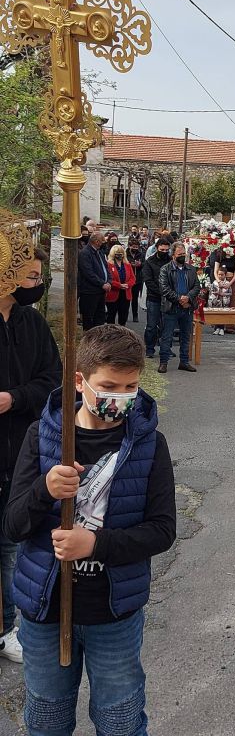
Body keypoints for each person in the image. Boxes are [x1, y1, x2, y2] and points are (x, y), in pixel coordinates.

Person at [3, 325, 176, 735]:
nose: (120, 397)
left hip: (112, 611)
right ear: (80, 382)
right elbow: (13, 524)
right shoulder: (43, 435)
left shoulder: (149, 444)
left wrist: (95, 544)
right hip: (45, 609)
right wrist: (44, 490)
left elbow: (162, 530)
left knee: (120, 719)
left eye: (130, 387)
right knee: (46, 718)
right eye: (109, 387)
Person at [0, 246, 62, 668]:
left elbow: (52, 380)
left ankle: (8, 627)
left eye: (39, 276)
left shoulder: (33, 323)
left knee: (10, 545)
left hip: (21, 450)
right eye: (31, 276)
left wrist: (14, 398)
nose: (36, 284)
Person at [157, 242, 200, 374]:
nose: (182, 256)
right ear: (173, 255)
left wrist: (188, 298)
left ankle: (184, 362)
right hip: (171, 308)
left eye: (184, 253)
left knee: (186, 336)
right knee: (167, 336)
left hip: (187, 307)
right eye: (179, 254)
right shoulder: (165, 269)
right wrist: (179, 299)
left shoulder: (191, 269)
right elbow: (164, 288)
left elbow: (196, 287)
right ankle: (163, 362)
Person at [142, 238, 171, 359]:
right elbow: (148, 281)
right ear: (157, 248)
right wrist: (162, 292)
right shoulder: (149, 262)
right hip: (154, 297)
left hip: (168, 298)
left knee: (167, 325)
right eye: (162, 250)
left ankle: (166, 348)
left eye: (166, 250)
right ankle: (149, 349)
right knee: (151, 325)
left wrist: (169, 293)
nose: (164, 252)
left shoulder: (170, 261)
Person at [78, 232, 111, 330]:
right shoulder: (85, 253)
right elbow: (88, 273)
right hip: (90, 292)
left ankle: (98, 337)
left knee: (100, 318)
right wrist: (102, 283)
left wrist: (109, 281)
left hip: (101, 292)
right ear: (97, 241)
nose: (104, 243)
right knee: (89, 319)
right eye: (102, 241)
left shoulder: (99, 252)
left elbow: (106, 268)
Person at [105, 244, 136, 327]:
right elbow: (108, 279)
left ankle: (122, 332)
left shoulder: (127, 265)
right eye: (117, 253)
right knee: (111, 316)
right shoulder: (108, 265)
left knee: (123, 316)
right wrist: (119, 285)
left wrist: (127, 285)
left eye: (121, 253)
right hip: (113, 293)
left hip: (125, 294)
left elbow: (133, 278)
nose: (119, 255)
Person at [208, 266, 232, 335]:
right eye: (219, 274)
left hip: (224, 302)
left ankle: (222, 328)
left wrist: (223, 294)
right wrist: (215, 294)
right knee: (217, 314)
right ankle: (216, 328)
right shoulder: (215, 282)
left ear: (225, 275)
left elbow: (231, 293)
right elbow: (211, 291)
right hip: (216, 301)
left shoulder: (227, 283)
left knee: (223, 315)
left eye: (222, 274)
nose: (220, 276)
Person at [127, 239, 146, 323]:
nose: (135, 248)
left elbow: (145, 264)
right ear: (129, 246)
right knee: (126, 299)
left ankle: (135, 315)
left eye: (136, 247)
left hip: (137, 279)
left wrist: (140, 264)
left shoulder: (141, 254)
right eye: (133, 247)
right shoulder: (125, 254)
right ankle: (125, 314)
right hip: (127, 279)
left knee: (135, 299)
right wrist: (130, 264)